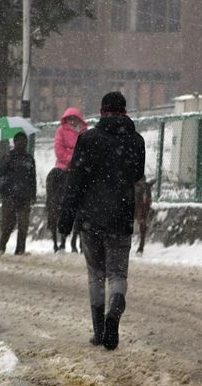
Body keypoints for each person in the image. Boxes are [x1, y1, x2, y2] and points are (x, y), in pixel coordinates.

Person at [58, 91, 145, 350]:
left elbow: (75, 181)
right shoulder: (136, 141)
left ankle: (99, 331)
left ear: (101, 110)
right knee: (117, 273)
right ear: (124, 111)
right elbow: (137, 174)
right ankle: (114, 310)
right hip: (120, 216)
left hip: (90, 218)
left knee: (96, 273)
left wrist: (66, 217)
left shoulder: (88, 139)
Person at [46, 107, 87, 252]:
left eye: (75, 119)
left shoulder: (83, 134)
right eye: (70, 119)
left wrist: (81, 161)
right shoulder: (61, 131)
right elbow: (59, 149)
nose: (72, 121)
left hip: (79, 167)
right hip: (64, 166)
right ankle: (54, 203)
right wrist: (70, 160)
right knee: (56, 179)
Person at [0, 131, 37, 255]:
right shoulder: (8, 156)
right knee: (8, 223)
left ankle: (20, 249)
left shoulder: (29, 159)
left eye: (24, 141)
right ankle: (2, 245)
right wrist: (6, 162)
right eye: (19, 141)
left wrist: (33, 195)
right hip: (9, 195)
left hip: (24, 196)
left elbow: (32, 178)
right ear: (14, 142)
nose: (22, 143)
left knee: (23, 224)